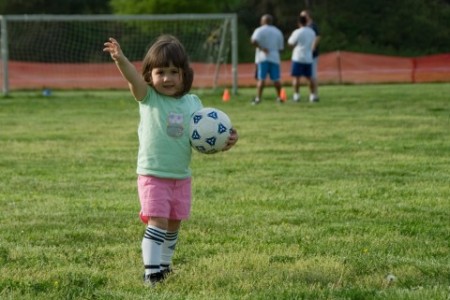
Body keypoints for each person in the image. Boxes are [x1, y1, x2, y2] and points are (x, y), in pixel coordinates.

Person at [103, 35, 239, 287]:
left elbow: (204, 136)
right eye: (160, 72)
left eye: (174, 72)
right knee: (158, 220)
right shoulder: (148, 97)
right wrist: (120, 59)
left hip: (181, 176)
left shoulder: (193, 103)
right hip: (153, 174)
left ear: (184, 75)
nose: (167, 78)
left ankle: (164, 267)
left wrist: (227, 140)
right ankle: (151, 274)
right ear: (149, 75)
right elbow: (132, 77)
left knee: (174, 223)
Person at [250, 14, 284, 105]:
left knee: (261, 79)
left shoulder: (259, 30)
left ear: (263, 21)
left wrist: (261, 48)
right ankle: (280, 97)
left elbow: (253, 41)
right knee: (276, 79)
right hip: (274, 57)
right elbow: (281, 48)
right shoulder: (278, 32)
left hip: (262, 57)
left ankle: (258, 98)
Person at [287, 15, 316, 102]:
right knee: (309, 78)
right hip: (308, 57)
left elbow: (290, 43)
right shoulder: (312, 32)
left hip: (298, 57)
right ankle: (312, 96)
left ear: (299, 23)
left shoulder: (297, 32)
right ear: (306, 22)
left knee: (296, 77)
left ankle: (296, 96)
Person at [300, 9, 321, 102]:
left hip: (311, 54)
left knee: (312, 75)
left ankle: (314, 94)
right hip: (304, 54)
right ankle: (312, 93)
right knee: (308, 75)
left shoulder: (313, 26)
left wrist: (313, 47)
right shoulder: (305, 27)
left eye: (303, 16)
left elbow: (318, 37)